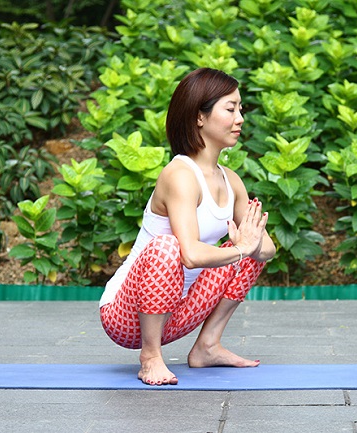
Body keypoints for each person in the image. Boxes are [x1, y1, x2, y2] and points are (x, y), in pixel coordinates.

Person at [99, 67, 276, 386]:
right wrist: (240, 249)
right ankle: (150, 356)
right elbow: (190, 254)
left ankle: (207, 346)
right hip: (126, 316)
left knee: (250, 253)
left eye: (241, 109)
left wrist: (251, 245)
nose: (240, 119)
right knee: (169, 248)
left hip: (180, 311)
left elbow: (266, 250)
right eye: (231, 109)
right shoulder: (179, 175)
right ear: (199, 117)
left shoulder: (231, 180)